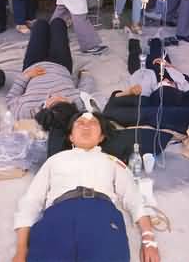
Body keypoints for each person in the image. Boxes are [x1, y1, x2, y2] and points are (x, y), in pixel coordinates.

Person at [12, 111, 161, 262]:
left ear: (101, 137)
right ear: (71, 136)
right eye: (80, 123)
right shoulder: (54, 160)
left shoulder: (112, 161)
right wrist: (21, 250)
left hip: (101, 217)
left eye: (93, 123)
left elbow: (133, 196)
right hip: (58, 217)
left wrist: (148, 239)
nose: (86, 126)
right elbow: (31, 200)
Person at [103, 36, 189, 133]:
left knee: (136, 66)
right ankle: (155, 40)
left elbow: (116, 102)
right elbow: (186, 84)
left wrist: (129, 91)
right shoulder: (185, 91)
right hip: (168, 81)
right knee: (158, 59)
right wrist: (169, 67)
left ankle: (134, 41)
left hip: (151, 91)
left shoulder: (147, 102)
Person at [6, 18, 95, 120]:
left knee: (40, 24)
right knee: (58, 22)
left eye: (53, 100)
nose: (55, 95)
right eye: (64, 99)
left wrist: (26, 76)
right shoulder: (77, 104)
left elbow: (10, 99)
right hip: (60, 65)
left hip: (33, 65)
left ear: (46, 109)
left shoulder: (26, 112)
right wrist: (85, 75)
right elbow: (86, 89)